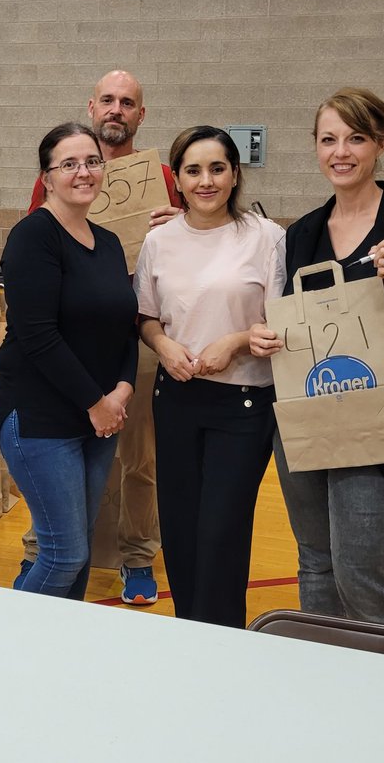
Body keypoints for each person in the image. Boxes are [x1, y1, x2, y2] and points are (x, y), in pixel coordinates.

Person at [250, 87, 384, 626]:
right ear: (316, 148)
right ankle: (324, 685)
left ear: (381, 144)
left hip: (381, 426)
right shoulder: (300, 234)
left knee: (361, 576)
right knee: (316, 566)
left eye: (355, 138)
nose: (340, 151)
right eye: (328, 139)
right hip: (309, 417)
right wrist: (269, 337)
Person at [21, 69, 177, 605]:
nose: (116, 109)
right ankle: (39, 551)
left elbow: (190, 249)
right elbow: (35, 303)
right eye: (107, 100)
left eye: (127, 102)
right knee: (61, 472)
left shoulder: (163, 178)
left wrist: (179, 223)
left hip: (132, 335)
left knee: (139, 458)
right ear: (92, 107)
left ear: (140, 114)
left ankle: (137, 558)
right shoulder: (52, 199)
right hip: (62, 354)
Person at [133, 126, 286, 628]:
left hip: (244, 404)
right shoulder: (158, 241)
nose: (206, 181)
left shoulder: (267, 237)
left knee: (222, 530)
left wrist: (237, 341)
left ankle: (223, 640)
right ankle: (189, 635)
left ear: (235, 174)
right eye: (193, 170)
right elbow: (146, 317)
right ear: (176, 178)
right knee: (179, 526)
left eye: (217, 168)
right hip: (176, 397)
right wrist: (163, 344)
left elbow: (281, 321)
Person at [0, 122, 138, 600]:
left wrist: (122, 389)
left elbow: (126, 325)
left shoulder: (110, 243)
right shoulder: (33, 237)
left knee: (78, 552)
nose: (83, 172)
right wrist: (96, 401)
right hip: (39, 417)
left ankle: (58, 659)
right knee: (62, 553)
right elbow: (37, 335)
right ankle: (14, 650)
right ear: (47, 178)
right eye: (69, 164)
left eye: (92, 161)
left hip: (97, 419)